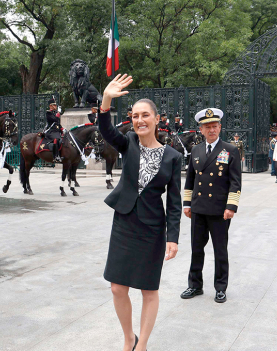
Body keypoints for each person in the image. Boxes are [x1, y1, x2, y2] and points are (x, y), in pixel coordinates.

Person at [98, 74, 181, 351]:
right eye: (135, 116)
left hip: (152, 230)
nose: (139, 120)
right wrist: (107, 99)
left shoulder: (173, 157)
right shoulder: (129, 142)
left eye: (145, 115)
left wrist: (173, 237)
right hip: (124, 223)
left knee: (149, 290)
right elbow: (106, 130)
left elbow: (174, 202)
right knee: (117, 288)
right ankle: (128, 337)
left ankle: (142, 344)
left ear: (157, 119)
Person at [181, 107, 242, 304]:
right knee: (196, 248)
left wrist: (231, 207)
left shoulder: (230, 150)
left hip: (219, 210)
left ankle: (221, 287)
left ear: (220, 127)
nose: (212, 130)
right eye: (207, 127)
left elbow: (235, 181)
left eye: (215, 126)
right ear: (201, 129)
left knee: (220, 250)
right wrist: (187, 204)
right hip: (198, 208)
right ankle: (195, 285)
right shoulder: (196, 150)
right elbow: (190, 179)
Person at [45, 97, 63, 162]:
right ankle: (56, 156)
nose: (55, 106)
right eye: (54, 105)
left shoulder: (55, 113)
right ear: (50, 106)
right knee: (56, 139)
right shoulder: (48, 113)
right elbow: (54, 119)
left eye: (55, 105)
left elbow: (57, 123)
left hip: (57, 131)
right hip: (51, 131)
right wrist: (58, 113)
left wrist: (62, 128)